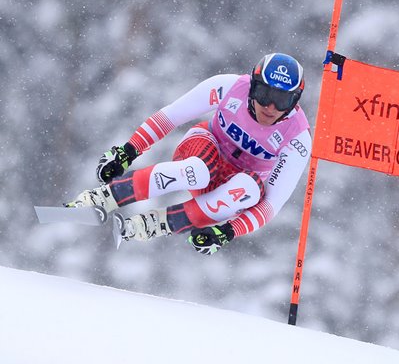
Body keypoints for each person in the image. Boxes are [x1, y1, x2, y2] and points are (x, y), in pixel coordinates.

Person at [66, 53, 311, 255]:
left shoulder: (297, 137)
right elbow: (171, 116)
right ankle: (103, 197)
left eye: (282, 100)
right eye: (265, 94)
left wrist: (227, 232)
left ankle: (155, 224)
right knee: (199, 171)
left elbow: (270, 205)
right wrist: (129, 151)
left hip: (231, 185)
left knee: (251, 189)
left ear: (295, 101)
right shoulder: (229, 87)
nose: (270, 107)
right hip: (205, 148)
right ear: (253, 86)